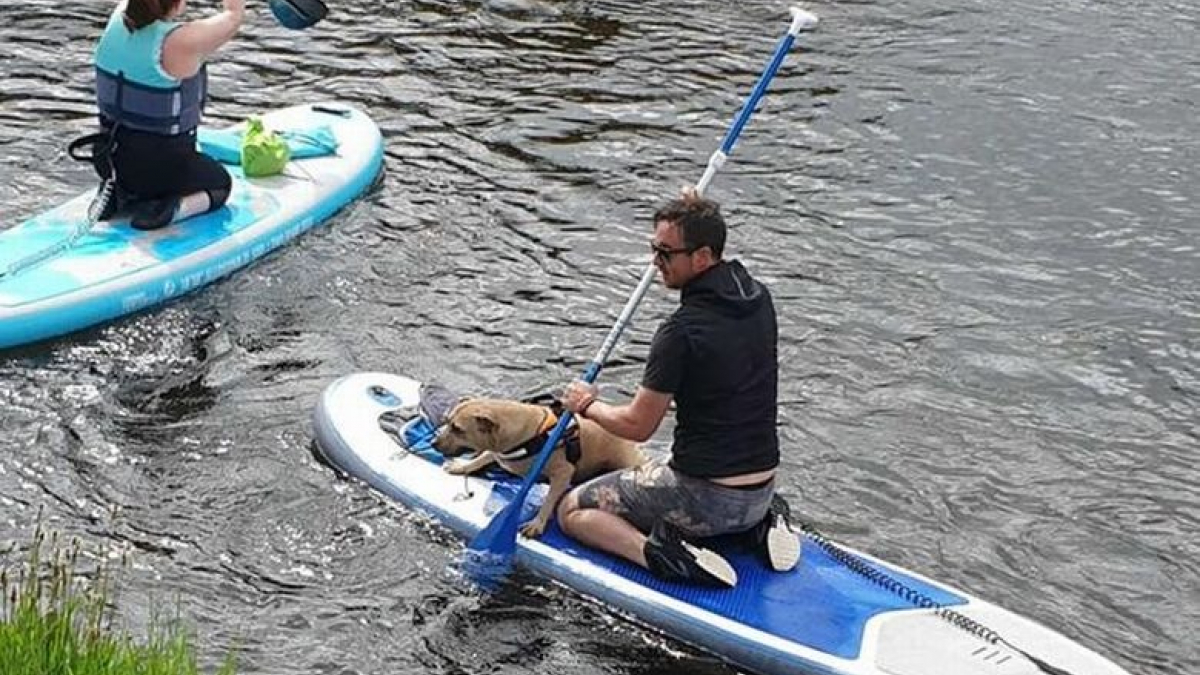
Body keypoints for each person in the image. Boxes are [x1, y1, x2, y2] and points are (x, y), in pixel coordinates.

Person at [557, 193, 800, 588]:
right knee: (659, 460)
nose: (655, 263)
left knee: (573, 510)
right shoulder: (759, 299)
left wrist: (587, 404)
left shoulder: (681, 330)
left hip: (706, 500)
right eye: (654, 248)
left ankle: (661, 556)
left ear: (703, 256)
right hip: (760, 491)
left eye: (666, 253)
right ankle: (760, 524)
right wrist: (697, 210)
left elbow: (637, 425)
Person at [90, 0, 244, 230]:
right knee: (220, 185)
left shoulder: (117, 18)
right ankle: (170, 208)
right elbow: (232, 16)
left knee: (134, 160)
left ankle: (115, 194)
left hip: (108, 159)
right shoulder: (181, 42)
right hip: (162, 170)